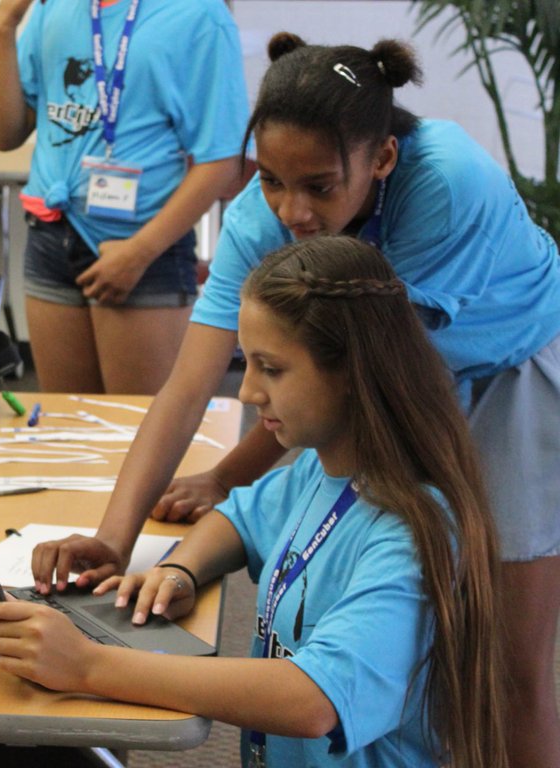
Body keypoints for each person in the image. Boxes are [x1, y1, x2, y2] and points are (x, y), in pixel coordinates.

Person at [31, 34, 560, 766]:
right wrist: (115, 541)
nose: (291, 210)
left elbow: (359, 376)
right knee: (364, 560)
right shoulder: (264, 214)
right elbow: (191, 385)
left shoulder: (446, 181)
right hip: (381, 372)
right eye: (272, 180)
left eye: (317, 186)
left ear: (381, 159)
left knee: (511, 664)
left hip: (510, 366)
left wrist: (231, 473)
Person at [0, 236, 507, 767]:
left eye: (270, 368)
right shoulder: (322, 469)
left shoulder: (412, 532)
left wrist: (88, 666)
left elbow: (313, 700)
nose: (247, 391)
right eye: (246, 364)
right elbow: (236, 518)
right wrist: (179, 571)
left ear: (353, 371)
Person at [0, 0, 247, 393]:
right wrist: (4, 24)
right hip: (52, 237)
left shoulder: (200, 15)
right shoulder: (54, 8)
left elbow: (222, 159)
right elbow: (5, 133)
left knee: (140, 424)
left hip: (143, 246)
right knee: (68, 423)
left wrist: (139, 253)